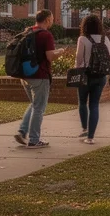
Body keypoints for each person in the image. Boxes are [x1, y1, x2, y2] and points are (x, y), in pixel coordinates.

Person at [15, 10, 71, 149]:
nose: (53, 21)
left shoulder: (28, 32)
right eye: (52, 18)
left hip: (25, 75)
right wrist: (61, 51)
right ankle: (34, 139)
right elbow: (50, 56)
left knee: (35, 104)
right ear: (46, 20)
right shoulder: (46, 35)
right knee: (39, 108)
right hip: (40, 76)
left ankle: (22, 132)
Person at [75, 15, 110, 145]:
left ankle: (84, 128)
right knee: (94, 105)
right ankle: (91, 137)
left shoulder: (83, 39)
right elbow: (108, 57)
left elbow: (79, 60)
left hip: (85, 75)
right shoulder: (105, 39)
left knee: (82, 101)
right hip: (101, 76)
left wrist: (76, 71)